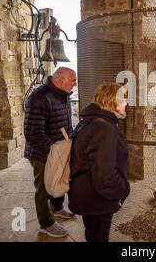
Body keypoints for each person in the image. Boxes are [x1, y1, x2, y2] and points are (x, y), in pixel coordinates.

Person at [68, 83, 130, 242]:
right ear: (113, 102)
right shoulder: (104, 129)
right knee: (99, 237)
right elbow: (105, 177)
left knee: (92, 235)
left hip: (86, 193)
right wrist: (123, 189)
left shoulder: (90, 121)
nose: (126, 104)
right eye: (124, 100)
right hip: (97, 198)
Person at [24, 67, 77, 237]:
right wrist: (53, 152)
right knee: (44, 188)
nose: (75, 84)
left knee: (59, 179)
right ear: (60, 79)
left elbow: (63, 122)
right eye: (73, 80)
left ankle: (58, 207)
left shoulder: (62, 94)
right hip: (43, 153)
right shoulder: (39, 97)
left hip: (59, 149)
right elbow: (33, 133)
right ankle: (46, 224)